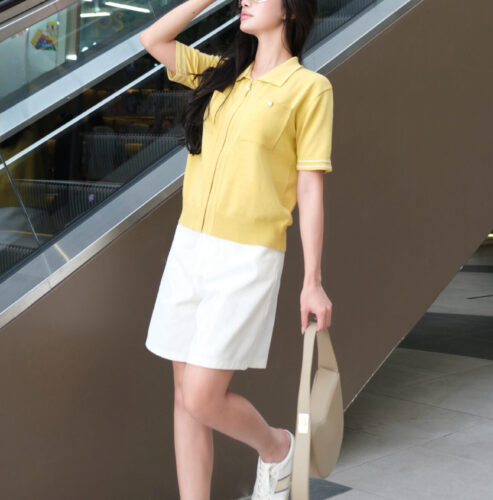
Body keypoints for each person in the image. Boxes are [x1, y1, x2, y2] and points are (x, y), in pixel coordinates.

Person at [140, 0, 333, 497]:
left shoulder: (309, 88)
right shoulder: (220, 76)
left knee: (202, 396)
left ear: (291, 9)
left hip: (247, 257)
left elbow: (309, 186)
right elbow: (154, 40)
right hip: (189, 247)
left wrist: (312, 281)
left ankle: (278, 448)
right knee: (184, 397)